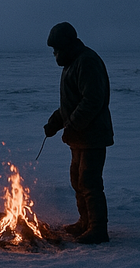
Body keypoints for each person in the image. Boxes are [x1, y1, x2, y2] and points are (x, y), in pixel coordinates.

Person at [43, 21, 113, 244]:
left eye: (57, 49)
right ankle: (85, 221)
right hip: (79, 137)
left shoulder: (87, 62)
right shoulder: (72, 64)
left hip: (92, 135)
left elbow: (92, 100)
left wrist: (72, 126)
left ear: (68, 45)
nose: (55, 54)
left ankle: (98, 229)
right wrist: (55, 122)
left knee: (89, 181)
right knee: (77, 179)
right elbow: (71, 103)